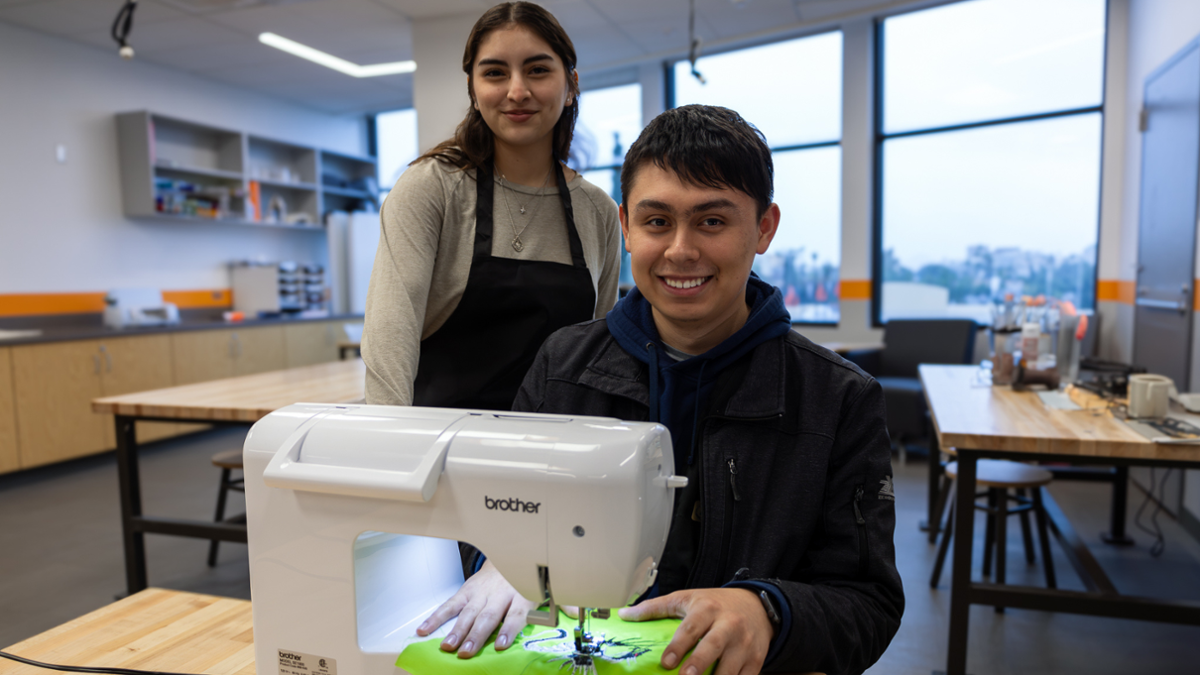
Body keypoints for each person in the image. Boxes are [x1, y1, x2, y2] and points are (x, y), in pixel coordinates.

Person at [417, 105, 904, 674]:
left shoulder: (839, 399)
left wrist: (768, 610)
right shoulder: (561, 365)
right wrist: (500, 563)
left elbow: (868, 603)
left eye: (712, 222)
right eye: (657, 222)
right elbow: (492, 517)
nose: (680, 250)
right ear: (625, 226)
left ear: (764, 228)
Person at [362, 2, 620, 410]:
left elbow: (598, 354)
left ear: (571, 86)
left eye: (537, 70)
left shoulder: (598, 210)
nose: (517, 91)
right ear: (473, 89)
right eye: (495, 73)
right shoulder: (432, 188)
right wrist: (393, 445)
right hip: (443, 449)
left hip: (559, 451)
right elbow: (390, 333)